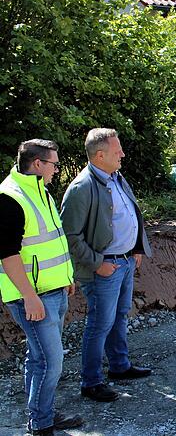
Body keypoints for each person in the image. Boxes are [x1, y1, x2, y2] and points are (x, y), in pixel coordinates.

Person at [61, 128, 153, 402]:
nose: (123, 154)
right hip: (105, 268)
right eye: (117, 151)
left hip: (123, 263)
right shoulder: (82, 188)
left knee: (119, 316)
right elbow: (71, 236)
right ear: (100, 155)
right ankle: (90, 382)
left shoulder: (116, 176)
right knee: (100, 323)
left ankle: (119, 367)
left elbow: (131, 211)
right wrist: (98, 264)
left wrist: (135, 246)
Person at [0, 140, 84, 435]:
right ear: (38, 164)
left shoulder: (40, 191)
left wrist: (66, 276)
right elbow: (8, 255)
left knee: (39, 357)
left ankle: (43, 412)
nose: (57, 170)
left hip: (54, 290)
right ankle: (40, 422)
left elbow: (53, 240)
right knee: (52, 361)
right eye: (54, 164)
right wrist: (29, 297)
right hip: (34, 297)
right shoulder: (10, 197)